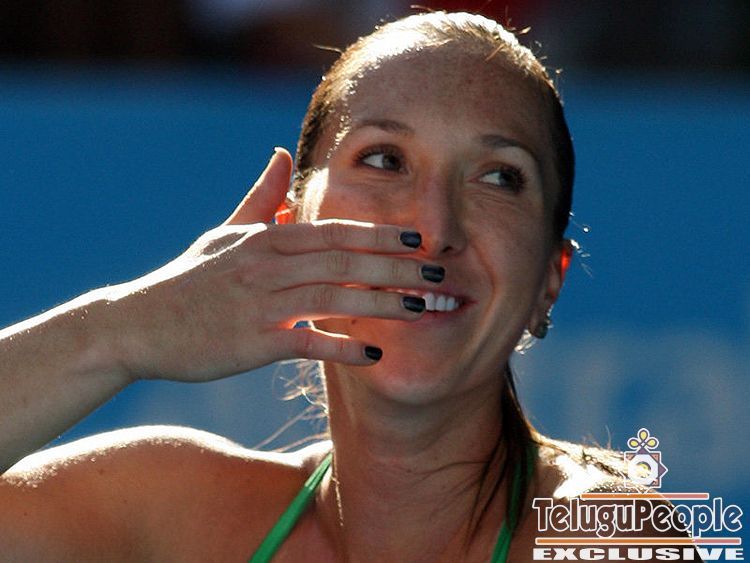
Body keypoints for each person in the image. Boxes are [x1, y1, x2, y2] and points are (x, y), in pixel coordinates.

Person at [0, 11, 696, 562]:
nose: (434, 227)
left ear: (549, 279)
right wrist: (122, 330)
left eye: (499, 176)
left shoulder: (605, 532)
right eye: (385, 159)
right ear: (288, 229)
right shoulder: (169, 508)